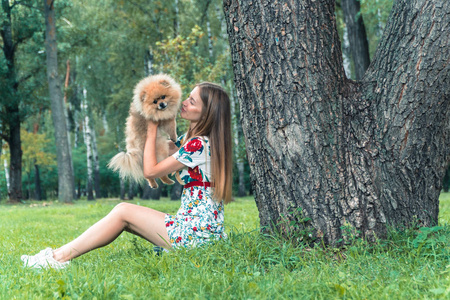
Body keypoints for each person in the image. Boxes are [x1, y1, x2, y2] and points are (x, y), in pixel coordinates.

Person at [21, 82, 233, 269]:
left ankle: (56, 259)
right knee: (125, 218)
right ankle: (58, 256)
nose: (185, 102)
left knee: (123, 211)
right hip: (196, 228)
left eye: (192, 102)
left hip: (198, 235)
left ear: (206, 114)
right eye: (188, 97)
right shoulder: (191, 141)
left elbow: (151, 170)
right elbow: (158, 151)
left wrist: (152, 128)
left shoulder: (199, 144)